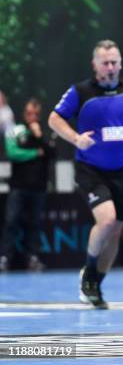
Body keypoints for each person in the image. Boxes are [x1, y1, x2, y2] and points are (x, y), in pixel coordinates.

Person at [48, 40, 123, 309]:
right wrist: (75, 138)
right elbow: (54, 118)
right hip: (90, 170)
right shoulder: (80, 92)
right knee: (107, 220)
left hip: (122, 171)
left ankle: (95, 283)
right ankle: (88, 272)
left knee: (117, 228)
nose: (110, 68)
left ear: (120, 64)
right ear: (95, 65)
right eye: (105, 63)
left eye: (114, 62)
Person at [0, 99, 53, 271]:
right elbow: (13, 153)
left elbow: (52, 153)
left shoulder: (45, 132)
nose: (33, 117)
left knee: (34, 224)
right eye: (30, 113)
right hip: (18, 186)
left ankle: (32, 257)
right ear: (24, 113)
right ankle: (5, 257)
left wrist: (39, 137)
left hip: (39, 187)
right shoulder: (15, 130)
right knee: (11, 221)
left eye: (36, 114)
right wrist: (35, 152)